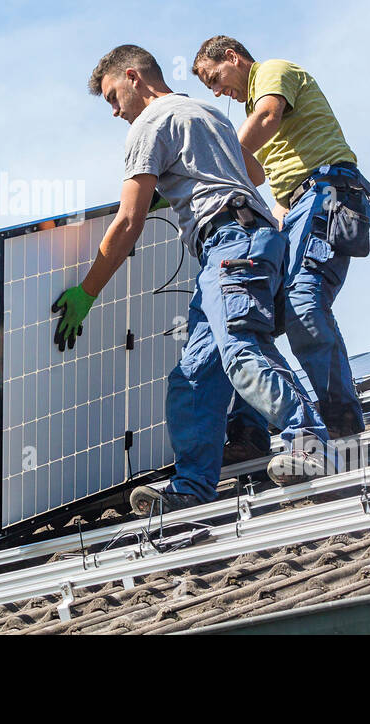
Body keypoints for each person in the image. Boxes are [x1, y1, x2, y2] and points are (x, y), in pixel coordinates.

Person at [52, 44, 329, 515]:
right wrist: (192, 178)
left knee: (241, 348)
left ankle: (310, 443)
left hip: (229, 243)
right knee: (194, 374)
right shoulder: (207, 112)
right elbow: (254, 172)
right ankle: (193, 486)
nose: (115, 111)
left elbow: (128, 221)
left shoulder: (149, 123)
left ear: (134, 77)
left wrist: (87, 291)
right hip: (248, 241)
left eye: (113, 97)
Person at [192, 36, 370, 438]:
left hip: (326, 191)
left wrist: (219, 155)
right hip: (299, 205)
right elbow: (274, 185)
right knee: (257, 316)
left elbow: (268, 116)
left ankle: (341, 420)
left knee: (303, 303)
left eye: (215, 79)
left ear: (232, 57)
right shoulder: (251, 109)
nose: (218, 91)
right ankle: (253, 430)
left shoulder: (273, 72)